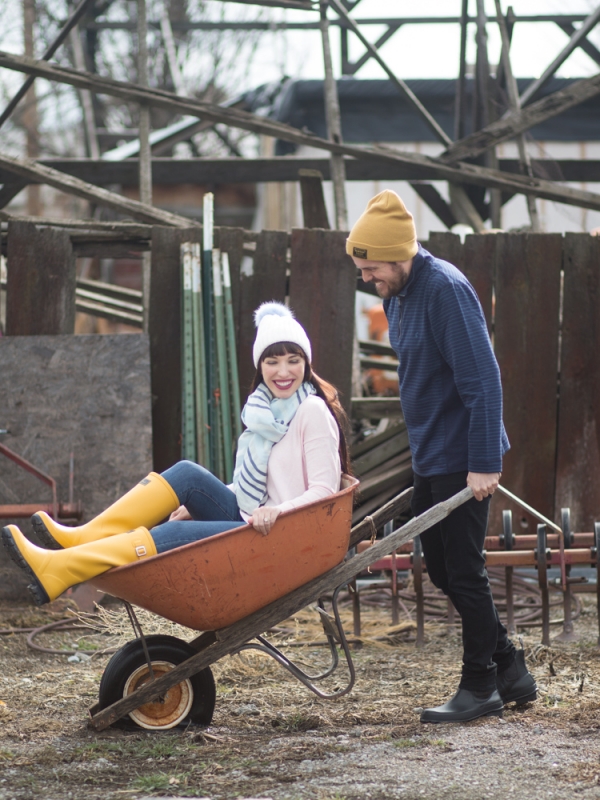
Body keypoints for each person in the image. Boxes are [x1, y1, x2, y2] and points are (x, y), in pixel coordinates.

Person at [2, 302, 350, 607]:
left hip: (282, 536)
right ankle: (84, 537)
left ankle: (61, 569)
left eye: (294, 360)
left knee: (165, 540)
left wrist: (276, 512)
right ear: (260, 367)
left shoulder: (312, 412)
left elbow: (324, 493)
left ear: (307, 362)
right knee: (186, 474)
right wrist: (223, 499)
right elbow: (262, 486)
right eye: (272, 361)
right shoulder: (267, 411)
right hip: (255, 518)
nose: (284, 372)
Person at [347, 190, 536, 723]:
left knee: (465, 570)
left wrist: (483, 463)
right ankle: (510, 667)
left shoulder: (445, 290)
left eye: (371, 267)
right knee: (442, 570)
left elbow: (483, 381)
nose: (365, 278)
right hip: (432, 451)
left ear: (399, 253)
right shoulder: (398, 295)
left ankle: (480, 686)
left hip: (464, 454)